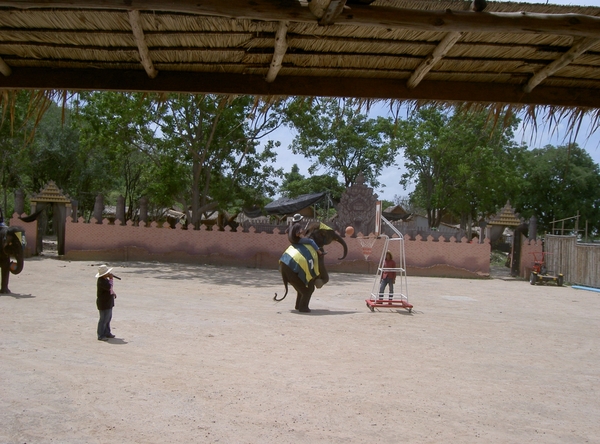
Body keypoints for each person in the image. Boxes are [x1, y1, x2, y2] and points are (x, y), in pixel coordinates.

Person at [96, 264, 117, 341]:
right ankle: (101, 335)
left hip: (108, 302)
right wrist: (111, 279)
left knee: (108, 318)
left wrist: (113, 293)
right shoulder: (101, 281)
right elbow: (109, 287)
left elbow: (109, 289)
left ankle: (107, 332)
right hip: (103, 303)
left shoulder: (105, 280)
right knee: (103, 319)